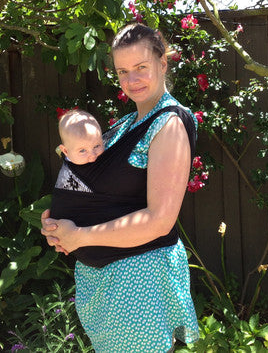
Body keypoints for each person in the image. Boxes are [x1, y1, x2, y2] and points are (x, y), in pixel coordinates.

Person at [41, 23, 199, 352]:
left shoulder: (168, 125)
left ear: (163, 64)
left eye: (141, 68)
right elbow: (92, 190)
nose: (131, 80)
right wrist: (58, 224)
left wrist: (79, 236)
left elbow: (160, 220)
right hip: (103, 285)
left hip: (138, 283)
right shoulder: (126, 124)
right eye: (122, 71)